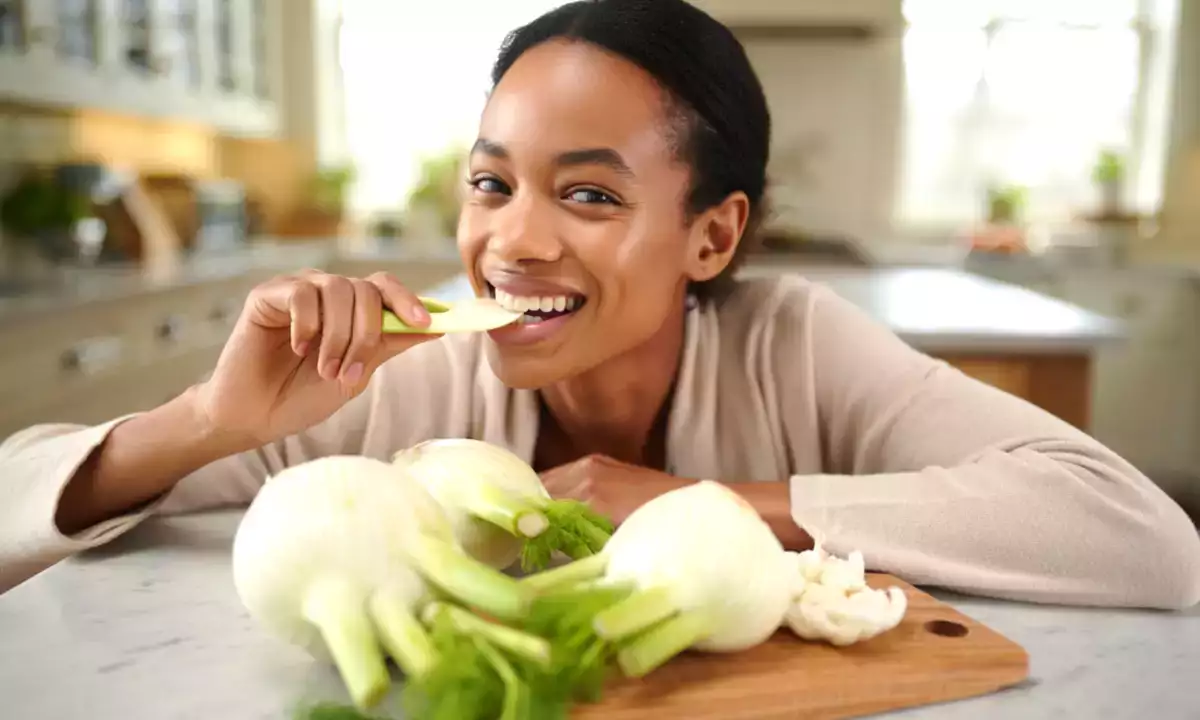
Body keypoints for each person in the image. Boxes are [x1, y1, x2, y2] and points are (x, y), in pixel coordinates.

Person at [2, 0, 1198, 608]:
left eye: (587, 193)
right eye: (490, 184)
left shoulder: (797, 345)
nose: (512, 241)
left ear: (713, 233)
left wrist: (696, 505)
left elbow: (1142, 539)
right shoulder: (392, 376)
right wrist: (213, 421)